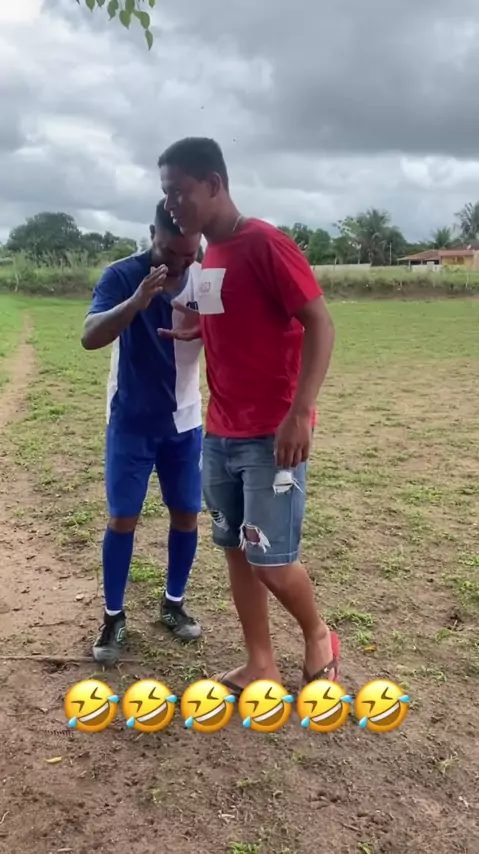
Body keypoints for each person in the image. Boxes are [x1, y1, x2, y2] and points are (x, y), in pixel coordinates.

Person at [157, 137, 339, 694]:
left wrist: (300, 412)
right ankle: (261, 662)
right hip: (221, 432)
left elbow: (320, 323)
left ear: (213, 184)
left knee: (270, 561)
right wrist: (198, 328)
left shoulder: (265, 243)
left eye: (179, 192)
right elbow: (227, 315)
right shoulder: (210, 256)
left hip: (272, 434)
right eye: (166, 195)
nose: (171, 205)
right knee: (236, 551)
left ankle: (318, 634)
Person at [81, 199, 204, 665]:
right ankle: (113, 617)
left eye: (189, 253)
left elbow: (225, 336)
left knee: (186, 515)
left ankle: (173, 603)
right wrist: (136, 302)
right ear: (153, 234)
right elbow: (90, 336)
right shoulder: (121, 275)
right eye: (171, 252)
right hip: (131, 422)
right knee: (123, 519)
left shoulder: (205, 277)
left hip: (184, 422)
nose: (180, 263)